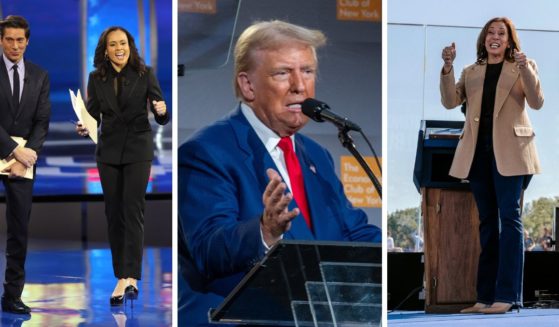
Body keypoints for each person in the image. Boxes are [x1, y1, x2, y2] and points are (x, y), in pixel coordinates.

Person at [178, 20, 381, 326]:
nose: (300, 86)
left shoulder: (317, 155)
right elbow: (208, 249)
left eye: (308, 71)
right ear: (248, 85)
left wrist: (396, 261)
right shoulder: (206, 152)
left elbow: (350, 232)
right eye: (283, 73)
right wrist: (265, 231)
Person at [440, 17, 543, 314]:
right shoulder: (471, 71)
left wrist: (525, 68)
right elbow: (449, 102)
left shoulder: (523, 66)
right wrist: (447, 68)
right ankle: (484, 297)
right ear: (484, 39)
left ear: (510, 41)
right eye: (490, 33)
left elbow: (536, 102)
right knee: (487, 223)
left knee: (509, 220)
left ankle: (508, 296)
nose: (495, 37)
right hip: (478, 154)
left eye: (502, 33)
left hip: (512, 152)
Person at [76, 26, 169, 306]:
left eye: (124, 43)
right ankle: (121, 276)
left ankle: (132, 277)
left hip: (138, 151)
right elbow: (92, 114)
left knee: (132, 210)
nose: (119, 48)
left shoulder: (145, 73)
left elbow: (160, 111)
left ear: (130, 46)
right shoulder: (97, 78)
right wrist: (84, 126)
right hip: (108, 153)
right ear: (105, 49)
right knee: (114, 213)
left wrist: (162, 113)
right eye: (113, 44)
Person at [0, 15, 50, 315]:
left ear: (27, 41)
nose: (15, 45)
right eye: (9, 39)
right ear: (1, 40)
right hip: (11, 152)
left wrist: (27, 154)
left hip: (24, 163)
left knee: (19, 232)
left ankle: (12, 296)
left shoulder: (39, 75)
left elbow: (42, 121)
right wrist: (14, 150)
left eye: (20, 40)